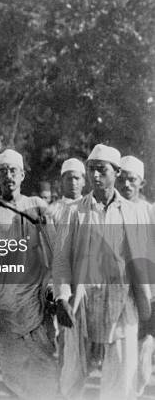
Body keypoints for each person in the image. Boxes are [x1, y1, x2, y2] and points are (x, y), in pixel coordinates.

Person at [54, 144, 151, 400]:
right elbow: (62, 260)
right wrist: (62, 297)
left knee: (121, 383)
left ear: (116, 172)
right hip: (82, 304)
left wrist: (150, 304)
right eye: (92, 170)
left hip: (123, 305)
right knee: (71, 380)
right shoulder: (74, 211)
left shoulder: (134, 212)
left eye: (102, 170)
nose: (95, 176)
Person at [0, 149, 58, 399]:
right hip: (6, 302)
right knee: (13, 372)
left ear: (22, 175)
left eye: (13, 171)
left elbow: (55, 250)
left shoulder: (38, 206)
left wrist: (56, 288)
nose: (8, 176)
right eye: (2, 172)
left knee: (44, 366)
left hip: (37, 301)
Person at [116, 155, 154, 396]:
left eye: (132, 180)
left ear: (142, 183)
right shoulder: (110, 210)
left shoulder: (150, 212)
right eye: (122, 180)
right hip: (120, 295)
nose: (126, 185)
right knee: (123, 363)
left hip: (149, 294)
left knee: (142, 364)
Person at [48, 158, 86, 228]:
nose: (73, 183)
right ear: (62, 181)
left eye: (77, 178)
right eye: (69, 179)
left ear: (84, 181)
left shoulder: (91, 208)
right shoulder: (52, 210)